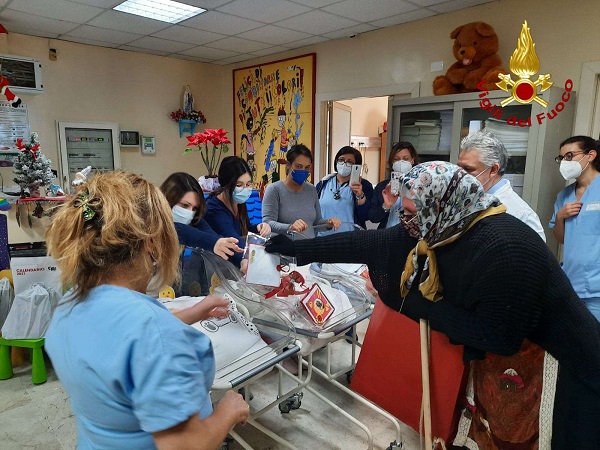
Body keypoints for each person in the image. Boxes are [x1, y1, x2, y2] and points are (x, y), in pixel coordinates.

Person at [266, 161, 600, 449]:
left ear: (440, 205)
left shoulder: (503, 247)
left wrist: (419, 306)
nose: (404, 220)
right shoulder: (445, 224)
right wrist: (298, 250)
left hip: (566, 362)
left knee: (563, 437)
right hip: (516, 361)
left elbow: (498, 337)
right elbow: (366, 242)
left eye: (410, 212)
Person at [45, 171, 250, 449]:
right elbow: (186, 445)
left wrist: (196, 311)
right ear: (153, 242)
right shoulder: (154, 334)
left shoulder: (69, 306)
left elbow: (120, 338)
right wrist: (228, 411)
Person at [458, 129, 546, 241]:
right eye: (459, 167)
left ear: (493, 170)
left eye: (468, 169)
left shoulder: (520, 214)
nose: (460, 174)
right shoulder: (468, 199)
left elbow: (533, 257)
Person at [550, 135, 600, 321]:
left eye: (569, 156)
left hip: (597, 287)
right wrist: (560, 217)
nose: (564, 162)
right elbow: (562, 238)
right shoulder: (564, 195)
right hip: (572, 282)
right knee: (577, 344)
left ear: (591, 155)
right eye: (561, 158)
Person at [262, 144, 340, 238]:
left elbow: (316, 223)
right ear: (288, 165)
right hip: (283, 250)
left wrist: (329, 223)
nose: (303, 171)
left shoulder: (311, 190)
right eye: (298, 166)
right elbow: (268, 223)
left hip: (308, 249)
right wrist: (290, 227)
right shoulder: (274, 189)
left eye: (307, 167)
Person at [205, 156, 271, 266]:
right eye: (239, 185)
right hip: (214, 267)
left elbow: (245, 227)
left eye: (248, 184)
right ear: (225, 184)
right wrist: (246, 259)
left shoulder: (237, 202)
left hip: (231, 264)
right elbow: (233, 240)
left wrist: (259, 228)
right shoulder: (214, 210)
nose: (245, 189)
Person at [160, 172, 243, 261]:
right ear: (167, 200)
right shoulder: (152, 223)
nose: (189, 212)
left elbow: (212, 236)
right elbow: (177, 229)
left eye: (195, 208)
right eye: (184, 205)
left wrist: (242, 260)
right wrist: (213, 242)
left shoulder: (195, 218)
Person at [316, 146, 373, 230]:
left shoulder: (364, 186)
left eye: (349, 162)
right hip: (323, 236)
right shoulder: (323, 183)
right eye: (341, 160)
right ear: (336, 161)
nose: (344, 164)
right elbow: (314, 212)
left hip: (351, 238)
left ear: (356, 166)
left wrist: (360, 196)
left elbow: (366, 216)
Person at [369, 141, 419, 229]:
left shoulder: (421, 186)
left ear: (412, 160)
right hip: (386, 236)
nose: (401, 162)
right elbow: (373, 218)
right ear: (392, 162)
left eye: (405, 158)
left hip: (412, 236)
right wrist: (386, 205)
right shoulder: (382, 187)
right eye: (396, 159)